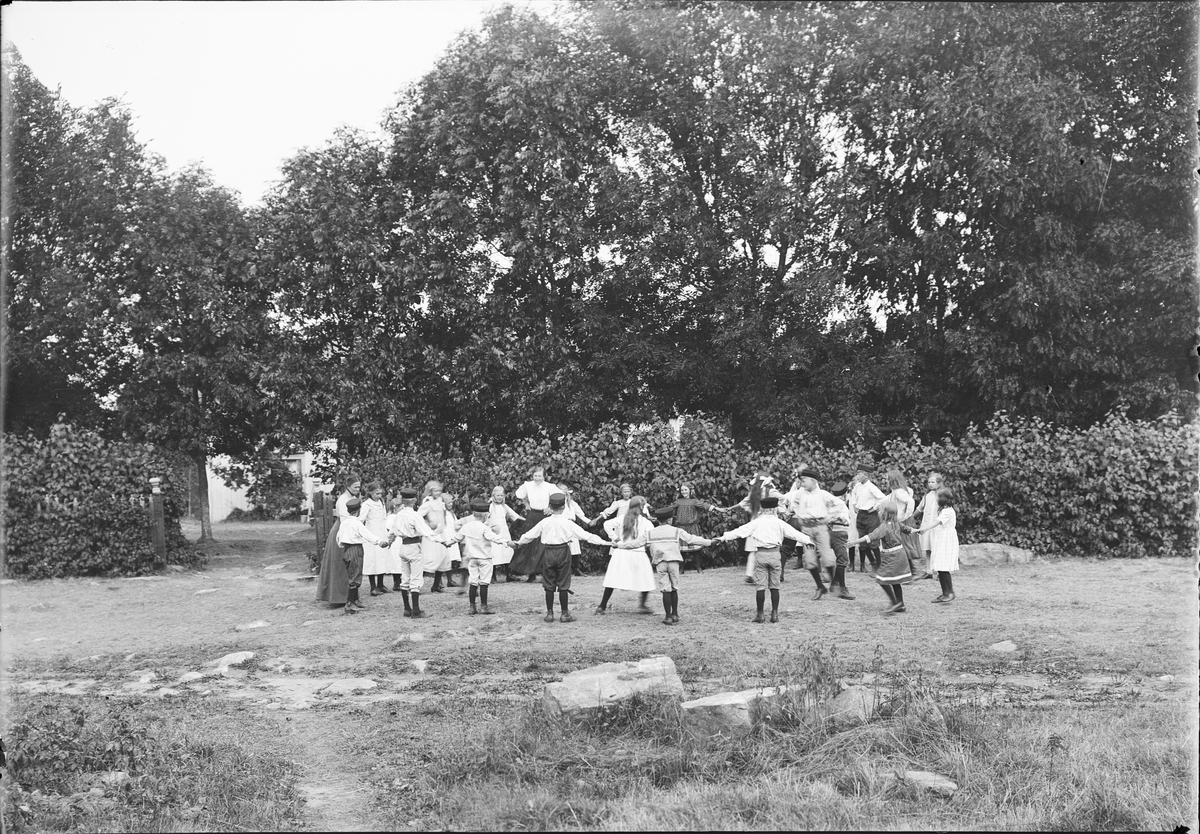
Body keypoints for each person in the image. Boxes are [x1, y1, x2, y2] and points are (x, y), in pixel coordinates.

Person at [511, 492, 610, 623]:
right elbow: (587, 536)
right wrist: (606, 542)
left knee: (549, 583)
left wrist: (518, 543)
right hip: (563, 551)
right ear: (564, 507)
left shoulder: (544, 522)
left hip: (548, 552)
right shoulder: (567, 523)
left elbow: (529, 535)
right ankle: (564, 614)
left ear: (550, 507)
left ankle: (550, 614)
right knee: (563, 583)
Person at [716, 495, 812, 623]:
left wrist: (723, 538)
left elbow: (739, 531)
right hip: (775, 554)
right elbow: (795, 534)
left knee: (760, 587)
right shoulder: (779, 523)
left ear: (762, 509)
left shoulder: (756, 522)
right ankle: (774, 614)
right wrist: (808, 541)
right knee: (775, 586)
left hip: (760, 554)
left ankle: (760, 615)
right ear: (774, 509)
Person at [645, 506, 714, 625]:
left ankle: (667, 617)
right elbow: (691, 539)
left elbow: (635, 543)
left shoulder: (651, 533)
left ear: (658, 520)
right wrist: (709, 542)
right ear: (670, 520)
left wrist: (618, 545)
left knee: (665, 588)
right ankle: (675, 614)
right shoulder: (676, 531)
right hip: (674, 562)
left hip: (661, 562)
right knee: (674, 587)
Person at [443, 498, 510, 614]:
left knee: (473, 582)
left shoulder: (466, 526)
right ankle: (484, 607)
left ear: (474, 514)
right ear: (485, 516)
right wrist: (507, 542)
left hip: (472, 559)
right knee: (484, 582)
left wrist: (448, 543)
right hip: (485, 558)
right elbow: (495, 538)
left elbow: (456, 538)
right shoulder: (485, 528)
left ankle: (472, 607)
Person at [596, 496, 658, 615]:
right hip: (638, 553)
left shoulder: (622, 518)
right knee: (646, 579)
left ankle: (602, 606)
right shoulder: (646, 522)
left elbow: (607, 524)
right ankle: (642, 605)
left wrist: (615, 538)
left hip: (621, 553)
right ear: (642, 507)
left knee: (612, 580)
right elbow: (651, 537)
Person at [389, 486, 444, 618]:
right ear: (414, 500)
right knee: (416, 578)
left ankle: (407, 608)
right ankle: (416, 610)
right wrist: (441, 540)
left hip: (403, 547)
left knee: (405, 577)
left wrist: (388, 542)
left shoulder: (399, 515)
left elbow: (392, 532)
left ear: (402, 500)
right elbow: (426, 532)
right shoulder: (415, 516)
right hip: (414, 546)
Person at [850, 498, 911, 614]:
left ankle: (895, 603)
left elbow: (870, 537)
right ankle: (900, 604)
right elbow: (908, 530)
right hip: (900, 554)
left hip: (891, 557)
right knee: (895, 581)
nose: (878, 513)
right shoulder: (896, 524)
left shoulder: (883, 527)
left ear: (884, 513)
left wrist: (854, 542)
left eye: (880, 510)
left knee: (882, 580)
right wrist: (918, 530)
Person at [786, 467, 839, 601]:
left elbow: (839, 504)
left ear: (813, 481)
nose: (802, 483)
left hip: (820, 527)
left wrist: (829, 517)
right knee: (809, 560)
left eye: (804, 481)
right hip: (806, 530)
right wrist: (799, 515)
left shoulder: (823, 495)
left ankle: (834, 582)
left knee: (827, 557)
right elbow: (794, 503)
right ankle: (820, 586)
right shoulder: (800, 494)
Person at [337, 496, 393, 615]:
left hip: (346, 550)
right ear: (358, 511)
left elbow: (338, 539)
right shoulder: (357, 524)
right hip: (355, 550)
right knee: (355, 577)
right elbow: (367, 534)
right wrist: (379, 542)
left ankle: (355, 599)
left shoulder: (344, 523)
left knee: (351, 575)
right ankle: (349, 604)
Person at [654, 482, 727, 572]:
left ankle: (698, 568)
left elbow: (705, 505)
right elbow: (670, 508)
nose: (684, 492)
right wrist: (658, 515)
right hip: (681, 527)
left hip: (692, 527)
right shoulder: (679, 501)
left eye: (685, 490)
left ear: (690, 491)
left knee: (696, 548)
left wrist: (718, 509)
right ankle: (682, 569)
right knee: (682, 550)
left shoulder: (694, 501)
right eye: (682, 490)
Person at [315, 473, 361, 606]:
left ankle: (352, 597)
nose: (357, 490)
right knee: (340, 565)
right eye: (355, 487)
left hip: (349, 531)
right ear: (348, 486)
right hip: (342, 532)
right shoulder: (343, 499)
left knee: (351, 566)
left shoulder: (352, 497)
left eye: (359, 487)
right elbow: (346, 520)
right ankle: (339, 597)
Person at [910, 486, 959, 603]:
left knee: (943, 567)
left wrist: (922, 529)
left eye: (937, 497)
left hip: (946, 540)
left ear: (943, 499)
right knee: (939, 566)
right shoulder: (943, 510)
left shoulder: (947, 511)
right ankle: (944, 593)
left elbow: (936, 523)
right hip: (941, 537)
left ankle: (950, 592)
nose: (936, 499)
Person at [510, 465, 556, 582]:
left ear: (544, 476)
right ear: (532, 476)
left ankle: (544, 573)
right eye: (535, 476)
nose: (537, 478)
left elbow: (561, 496)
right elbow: (519, 494)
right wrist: (526, 503)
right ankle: (531, 573)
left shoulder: (549, 487)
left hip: (545, 516)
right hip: (533, 515)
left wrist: (551, 508)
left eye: (539, 476)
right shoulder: (528, 485)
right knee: (529, 542)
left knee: (544, 543)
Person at [418, 481, 457, 593]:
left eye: (440, 490)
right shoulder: (427, 502)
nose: (438, 493)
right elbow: (418, 516)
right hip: (430, 535)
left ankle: (436, 585)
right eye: (436, 491)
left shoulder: (440, 501)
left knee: (443, 558)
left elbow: (443, 514)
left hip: (441, 533)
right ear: (430, 491)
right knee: (428, 560)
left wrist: (443, 525)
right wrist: (428, 523)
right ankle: (417, 585)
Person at [848, 464, 886, 574]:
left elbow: (882, 498)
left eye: (860, 474)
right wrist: (855, 504)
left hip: (871, 516)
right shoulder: (857, 486)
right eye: (857, 473)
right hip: (861, 515)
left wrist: (874, 508)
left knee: (872, 542)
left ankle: (879, 565)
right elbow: (854, 494)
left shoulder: (871, 487)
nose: (857, 476)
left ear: (866, 475)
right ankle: (873, 563)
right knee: (863, 543)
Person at [886, 469, 923, 578]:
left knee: (907, 545)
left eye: (887, 479)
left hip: (904, 521)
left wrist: (906, 515)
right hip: (900, 521)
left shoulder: (899, 492)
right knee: (902, 545)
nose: (886, 481)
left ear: (892, 480)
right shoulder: (896, 492)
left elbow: (910, 502)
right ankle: (908, 572)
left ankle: (915, 572)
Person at [359, 482, 392, 597]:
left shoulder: (381, 502)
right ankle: (373, 587)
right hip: (372, 534)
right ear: (370, 493)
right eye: (376, 493)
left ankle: (381, 584)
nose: (379, 495)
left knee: (382, 559)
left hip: (382, 533)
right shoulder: (367, 504)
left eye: (380, 493)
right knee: (372, 560)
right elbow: (361, 520)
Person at [485, 485, 523, 582]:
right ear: (493, 495)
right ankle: (492, 576)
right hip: (494, 532)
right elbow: (485, 518)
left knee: (506, 551)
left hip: (504, 531)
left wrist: (524, 519)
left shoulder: (504, 506)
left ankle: (508, 574)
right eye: (497, 495)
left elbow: (513, 514)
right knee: (494, 552)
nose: (499, 497)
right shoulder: (489, 507)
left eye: (501, 495)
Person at [826, 479, 856, 600]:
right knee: (843, 560)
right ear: (844, 494)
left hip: (831, 532)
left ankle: (834, 584)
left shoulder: (830, 504)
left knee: (840, 559)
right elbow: (845, 519)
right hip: (839, 533)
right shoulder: (841, 505)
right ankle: (842, 589)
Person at [913, 472, 944, 580]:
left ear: (939, 483)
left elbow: (946, 511)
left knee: (937, 549)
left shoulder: (942, 495)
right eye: (929, 482)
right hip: (926, 525)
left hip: (937, 526)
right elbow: (919, 509)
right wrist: (910, 518)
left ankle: (940, 572)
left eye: (933, 482)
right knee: (928, 549)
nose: (930, 484)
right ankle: (928, 570)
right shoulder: (927, 496)